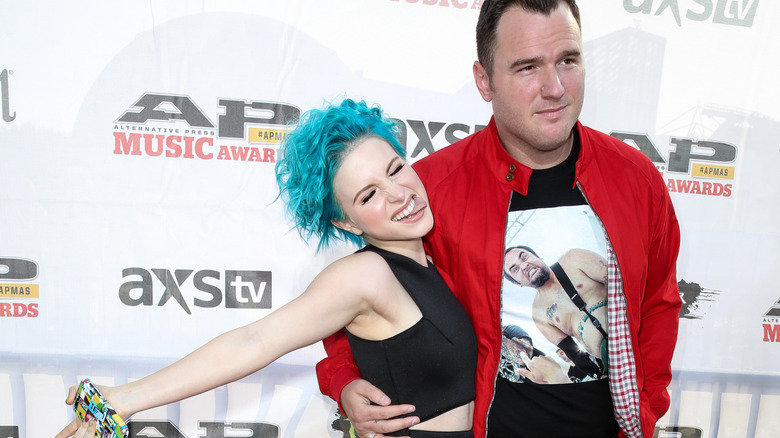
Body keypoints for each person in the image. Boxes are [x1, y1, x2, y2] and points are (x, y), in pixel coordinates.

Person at [314, 1, 682, 437]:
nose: (555, 88)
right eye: (527, 68)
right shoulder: (430, 190)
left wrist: (646, 410)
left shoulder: (635, 177)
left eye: (568, 60)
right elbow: (363, 292)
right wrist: (344, 380)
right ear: (484, 81)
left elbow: (659, 304)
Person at [56, 99, 478, 438]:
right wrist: (120, 400)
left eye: (396, 169)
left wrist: (345, 384)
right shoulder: (366, 275)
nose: (399, 193)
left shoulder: (433, 265)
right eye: (369, 195)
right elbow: (254, 340)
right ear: (345, 222)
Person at [503, 245, 608, 373]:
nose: (524, 266)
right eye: (515, 269)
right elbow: (572, 352)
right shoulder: (538, 313)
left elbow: (623, 284)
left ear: (537, 256)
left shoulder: (573, 259)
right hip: (609, 362)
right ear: (517, 283)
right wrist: (598, 374)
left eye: (524, 257)